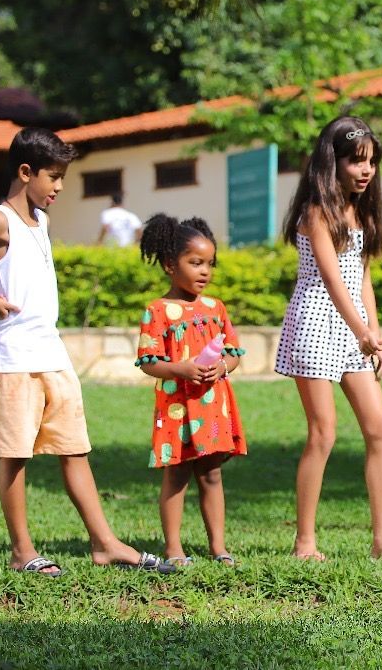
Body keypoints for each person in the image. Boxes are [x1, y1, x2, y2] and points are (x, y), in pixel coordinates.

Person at [0, 128, 174, 575]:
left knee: (74, 449)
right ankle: (23, 552)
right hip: (15, 358)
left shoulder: (43, 221)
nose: (59, 186)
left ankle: (106, 544)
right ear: (26, 172)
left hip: (52, 355)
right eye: (53, 177)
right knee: (15, 455)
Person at [274, 116, 382, 564]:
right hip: (316, 322)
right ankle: (304, 543)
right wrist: (363, 333)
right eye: (357, 161)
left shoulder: (362, 211)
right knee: (323, 433)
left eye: (372, 162)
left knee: (380, 429)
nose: (366, 170)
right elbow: (333, 281)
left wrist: (373, 334)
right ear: (331, 161)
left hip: (353, 329)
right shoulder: (317, 211)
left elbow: (361, 278)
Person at [135, 214, 247, 567]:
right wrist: (180, 369)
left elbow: (233, 354)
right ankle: (173, 549)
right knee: (178, 474)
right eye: (195, 262)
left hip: (213, 406)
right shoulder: (157, 311)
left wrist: (223, 367)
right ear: (170, 264)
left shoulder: (216, 308)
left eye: (210, 264)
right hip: (177, 409)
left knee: (212, 474)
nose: (205, 271)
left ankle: (219, 547)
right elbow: (149, 362)